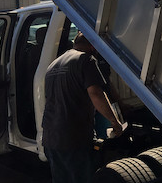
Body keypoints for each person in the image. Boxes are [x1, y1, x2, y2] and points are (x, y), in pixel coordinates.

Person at [42, 32, 123, 183]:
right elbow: (96, 93)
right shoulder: (86, 60)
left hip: (50, 138)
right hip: (73, 138)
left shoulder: (53, 65)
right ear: (93, 46)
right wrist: (115, 121)